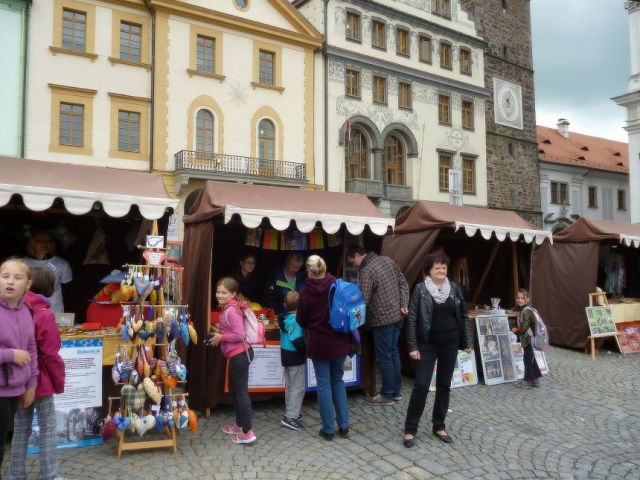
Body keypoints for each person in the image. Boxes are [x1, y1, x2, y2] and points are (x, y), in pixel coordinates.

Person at [403, 251, 473, 448]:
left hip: (450, 344)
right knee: (421, 385)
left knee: (444, 385)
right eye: (437, 267)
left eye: (444, 267)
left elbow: (464, 315)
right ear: (429, 270)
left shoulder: (454, 289)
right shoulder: (420, 289)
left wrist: (467, 340)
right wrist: (412, 346)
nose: (441, 270)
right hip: (427, 345)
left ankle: (439, 425)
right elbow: (413, 320)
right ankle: (410, 429)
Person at [11, 267, 66, 480]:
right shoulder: (44, 315)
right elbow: (50, 355)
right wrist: (58, 381)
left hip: (18, 378)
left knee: (20, 428)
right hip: (41, 382)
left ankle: (16, 474)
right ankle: (49, 475)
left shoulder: (15, 309)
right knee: (48, 428)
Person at [346, 246, 409, 405]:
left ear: (358, 255)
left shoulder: (366, 270)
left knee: (385, 357)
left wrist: (351, 318)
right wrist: (403, 304)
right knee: (393, 353)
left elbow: (363, 301)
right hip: (397, 316)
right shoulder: (387, 260)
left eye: (353, 262)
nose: (354, 266)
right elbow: (404, 284)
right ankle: (396, 392)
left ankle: (387, 394)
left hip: (382, 320)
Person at [297, 255, 350, 441]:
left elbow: (301, 321)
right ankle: (344, 425)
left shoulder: (304, 293)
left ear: (309, 272)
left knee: (323, 384)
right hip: (339, 341)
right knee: (338, 380)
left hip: (319, 343)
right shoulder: (338, 286)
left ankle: (328, 429)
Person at [207, 277, 256, 444]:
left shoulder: (231, 310)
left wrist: (221, 336)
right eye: (218, 292)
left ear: (233, 294)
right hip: (238, 355)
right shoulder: (229, 308)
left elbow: (240, 335)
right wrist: (221, 331)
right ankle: (240, 425)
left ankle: (247, 432)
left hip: (240, 355)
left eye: (224, 292)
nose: (219, 295)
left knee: (240, 392)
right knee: (235, 391)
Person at [0, 258, 38, 471]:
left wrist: (31, 384)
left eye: (17, 277)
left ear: (28, 283)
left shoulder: (26, 311)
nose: (10, 282)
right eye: (5, 276)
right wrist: (10, 354)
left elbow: (32, 348)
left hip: (15, 388)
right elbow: (18, 353)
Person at [24, 232, 72, 314]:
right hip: (27, 310)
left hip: (54, 310)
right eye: (39, 240)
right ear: (32, 244)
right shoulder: (22, 263)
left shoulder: (62, 264)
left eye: (48, 240)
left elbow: (66, 289)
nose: (44, 243)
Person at [279, 290, 306, 431]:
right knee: (298, 387)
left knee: (290, 386)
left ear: (285, 304)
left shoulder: (284, 319)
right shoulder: (297, 321)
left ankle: (292, 411)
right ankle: (290, 417)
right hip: (296, 356)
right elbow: (298, 340)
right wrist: (307, 349)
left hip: (286, 355)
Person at [511, 289, 542, 388]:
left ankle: (527, 380)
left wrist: (516, 331)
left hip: (529, 339)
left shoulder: (526, 311)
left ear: (527, 299)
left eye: (522, 298)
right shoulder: (525, 309)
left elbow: (524, 328)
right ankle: (535, 379)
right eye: (518, 298)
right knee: (530, 358)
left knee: (527, 359)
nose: (520, 300)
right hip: (530, 338)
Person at [263, 252, 305, 318]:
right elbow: (269, 299)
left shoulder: (302, 277)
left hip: (299, 317)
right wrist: (279, 315)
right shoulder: (275, 276)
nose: (295, 270)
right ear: (286, 263)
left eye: (298, 267)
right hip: (280, 317)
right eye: (293, 266)